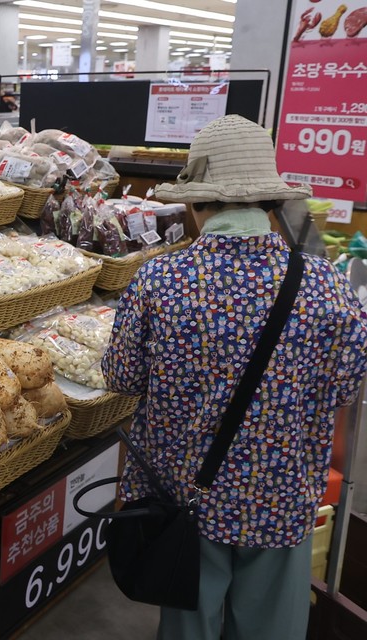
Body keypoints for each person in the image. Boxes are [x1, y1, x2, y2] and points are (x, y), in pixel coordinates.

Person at [102, 114, 367, 640]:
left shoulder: (161, 277)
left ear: (198, 205)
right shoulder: (323, 283)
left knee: (188, 624)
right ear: (270, 205)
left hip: (186, 499)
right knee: (271, 627)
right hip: (281, 493)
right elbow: (346, 383)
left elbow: (122, 377)